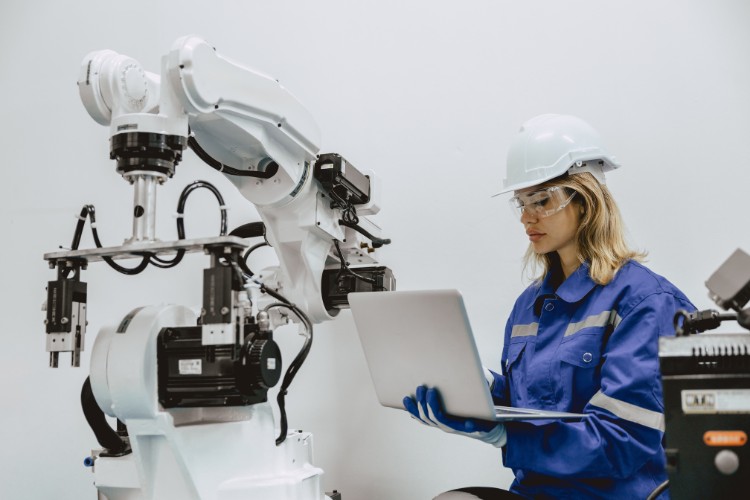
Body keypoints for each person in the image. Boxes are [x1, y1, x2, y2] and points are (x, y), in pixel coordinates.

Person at [403, 114, 694, 499]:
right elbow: (536, 403)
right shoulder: (531, 304)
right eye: (521, 202)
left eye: (541, 200)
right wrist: (478, 389)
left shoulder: (644, 302)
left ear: (586, 200)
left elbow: (622, 441)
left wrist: (505, 434)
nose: (526, 217)